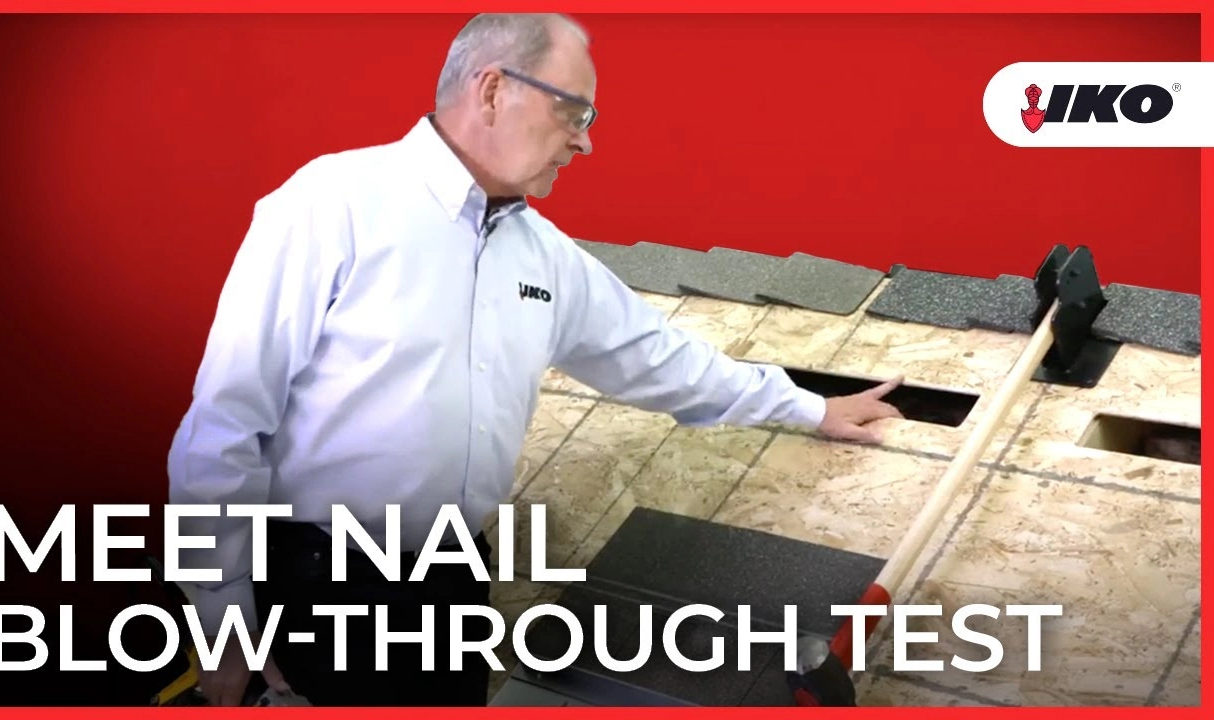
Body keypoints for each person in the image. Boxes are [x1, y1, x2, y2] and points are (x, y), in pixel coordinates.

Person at [166, 12, 903, 708]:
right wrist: (223, 621)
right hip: (320, 583)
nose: (583, 142)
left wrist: (811, 407)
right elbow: (226, 430)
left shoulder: (541, 253)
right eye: (573, 113)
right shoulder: (332, 205)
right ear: (493, 89)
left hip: (451, 579)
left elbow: (658, 357)